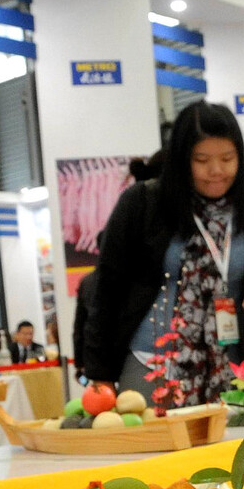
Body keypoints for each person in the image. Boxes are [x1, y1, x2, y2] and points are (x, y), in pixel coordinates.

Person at [82, 101, 244, 404]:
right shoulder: (142, 205)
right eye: (202, 160)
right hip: (151, 368)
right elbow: (107, 291)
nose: (216, 170)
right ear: (181, 159)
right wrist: (99, 374)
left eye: (227, 158)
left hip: (238, 372)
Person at [73, 151, 167, 384]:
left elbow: (84, 325)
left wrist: (86, 365)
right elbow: (97, 314)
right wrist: (96, 372)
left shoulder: (89, 281)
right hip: (138, 356)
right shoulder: (137, 204)